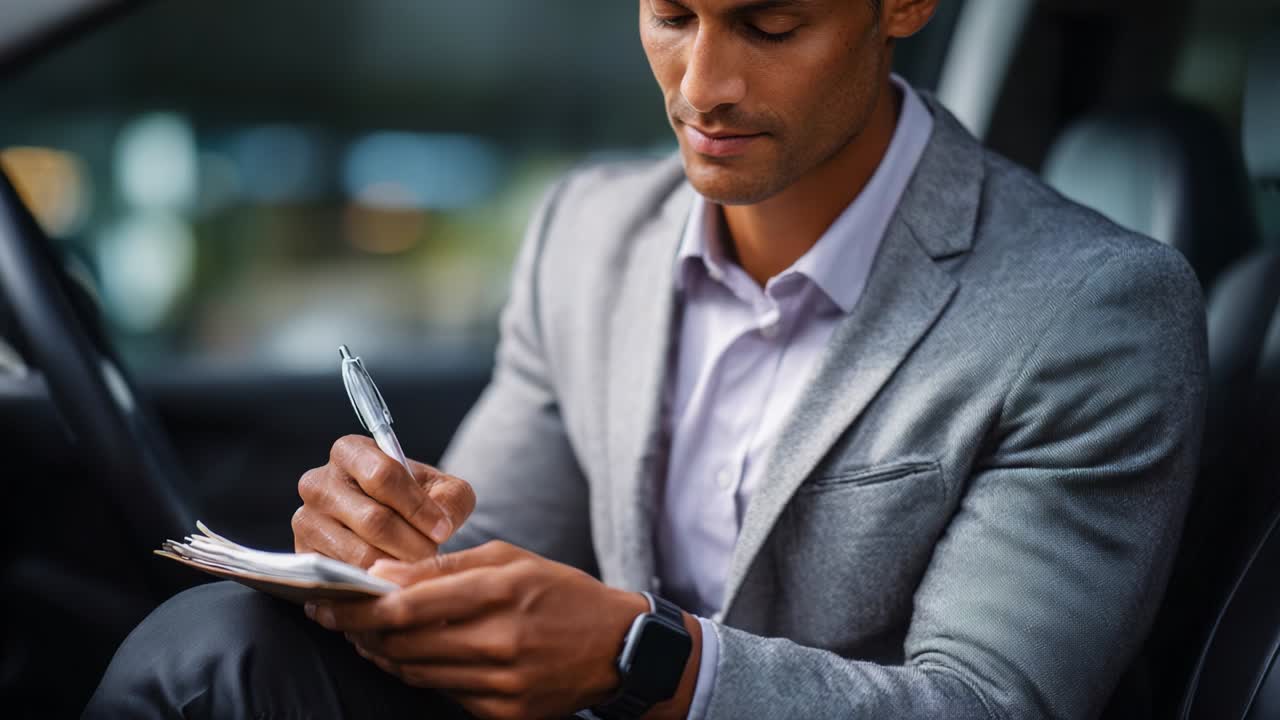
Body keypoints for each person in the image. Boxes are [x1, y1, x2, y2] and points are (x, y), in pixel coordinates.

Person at [86, 0, 1208, 718]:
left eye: (767, 26)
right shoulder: (585, 232)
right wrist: (381, 550)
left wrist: (646, 660)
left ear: (899, 6)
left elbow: (984, 707)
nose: (699, 85)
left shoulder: (1093, 312)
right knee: (218, 646)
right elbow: (485, 538)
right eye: (671, 14)